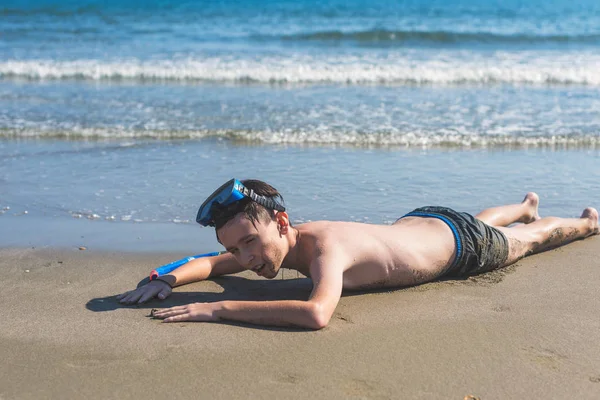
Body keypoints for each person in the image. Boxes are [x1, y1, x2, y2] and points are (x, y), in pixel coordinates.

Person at [117, 179, 599, 329]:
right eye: (234, 248)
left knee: (532, 241)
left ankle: (584, 222)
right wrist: (166, 280)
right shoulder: (277, 247)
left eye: (249, 242)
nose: (244, 259)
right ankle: (523, 205)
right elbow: (207, 262)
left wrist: (215, 309)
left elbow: (316, 313)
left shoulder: (327, 251)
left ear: (282, 224)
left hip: (462, 248)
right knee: (479, 216)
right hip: (422, 222)